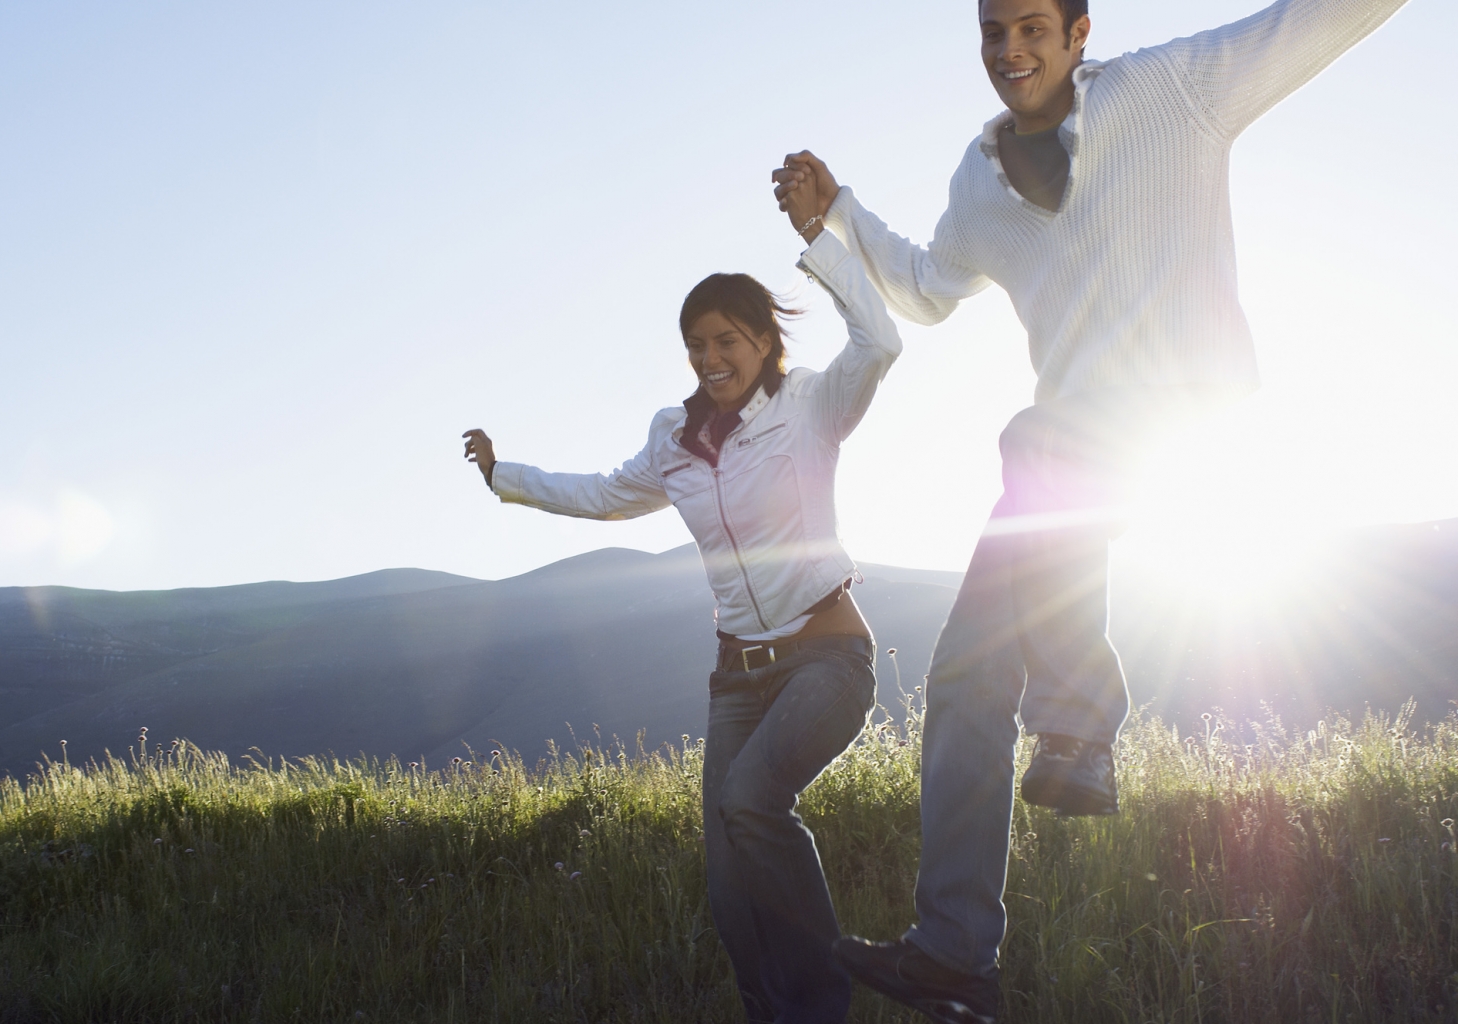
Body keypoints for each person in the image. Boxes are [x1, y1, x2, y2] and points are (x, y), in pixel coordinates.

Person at [769, 0, 1410, 1020]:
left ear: (1078, 33)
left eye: (1030, 27)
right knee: (965, 673)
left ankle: (1078, 727)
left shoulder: (1175, 89)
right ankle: (953, 950)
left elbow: (1316, 19)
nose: (1009, 50)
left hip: (1181, 417)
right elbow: (931, 289)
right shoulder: (979, 180)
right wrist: (839, 211)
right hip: (1066, 470)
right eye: (991, 34)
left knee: (1036, 440)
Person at [461, 193, 904, 1023]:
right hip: (737, 678)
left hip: (827, 657)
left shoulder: (812, 406)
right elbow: (603, 495)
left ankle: (823, 1004)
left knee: (752, 805)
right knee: (728, 887)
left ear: (764, 342)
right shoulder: (675, 439)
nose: (709, 357)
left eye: (726, 341)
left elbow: (881, 341)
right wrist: (504, 477)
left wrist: (822, 241)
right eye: (696, 344)